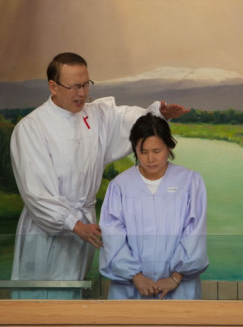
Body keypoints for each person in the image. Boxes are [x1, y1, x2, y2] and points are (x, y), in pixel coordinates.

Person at [10, 53, 189, 299]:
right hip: (47, 231)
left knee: (74, 293)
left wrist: (159, 115)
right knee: (39, 298)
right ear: (53, 86)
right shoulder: (32, 128)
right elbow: (35, 193)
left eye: (86, 85)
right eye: (74, 86)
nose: (82, 93)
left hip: (85, 227)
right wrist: (74, 224)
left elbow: (127, 120)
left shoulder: (95, 115)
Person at [99, 113, 208, 300]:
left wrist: (175, 277)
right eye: (143, 152)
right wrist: (136, 277)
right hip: (130, 290)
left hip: (178, 290)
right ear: (135, 149)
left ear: (169, 147)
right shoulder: (120, 186)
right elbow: (112, 236)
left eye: (157, 151)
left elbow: (195, 232)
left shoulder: (190, 182)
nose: (150, 158)